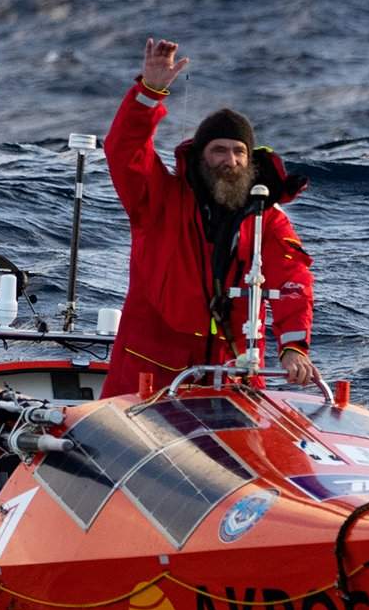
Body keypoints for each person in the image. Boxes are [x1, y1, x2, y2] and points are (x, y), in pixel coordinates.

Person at [100, 37, 318, 398]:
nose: (229, 161)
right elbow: (124, 150)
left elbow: (293, 281)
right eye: (219, 150)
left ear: (251, 160)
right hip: (149, 376)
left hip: (234, 377)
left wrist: (294, 347)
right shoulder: (158, 201)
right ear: (201, 156)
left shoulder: (268, 220)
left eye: (238, 152)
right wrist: (150, 91)